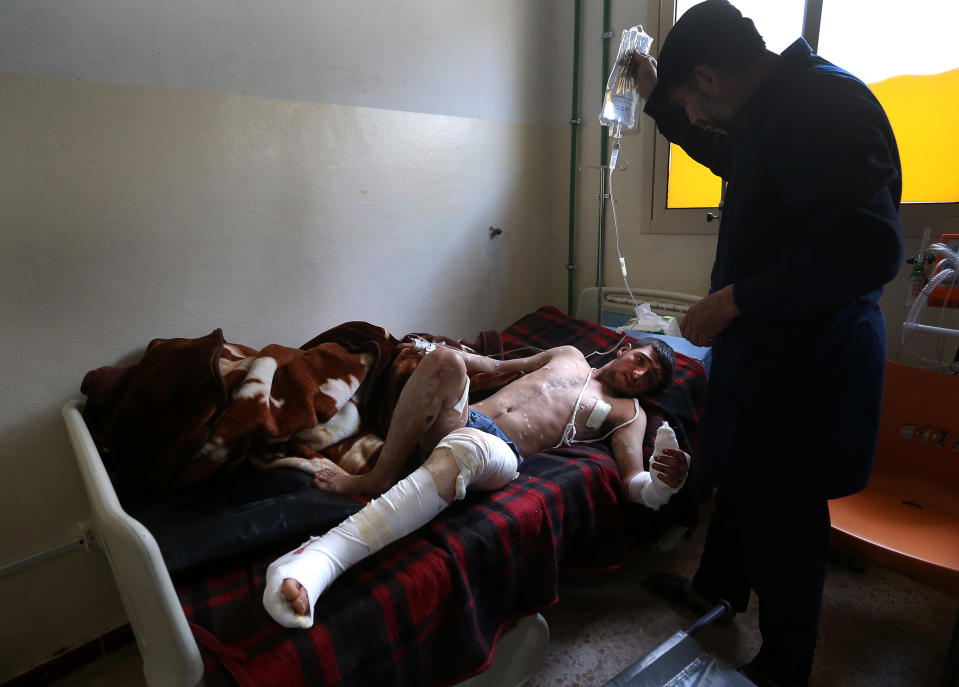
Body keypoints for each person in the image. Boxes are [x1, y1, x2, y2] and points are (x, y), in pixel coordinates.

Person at [623, 2, 904, 685]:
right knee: (739, 473)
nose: (692, 116)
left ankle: (784, 661)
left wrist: (734, 299)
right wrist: (660, 98)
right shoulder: (772, 109)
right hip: (765, 349)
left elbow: (869, 251)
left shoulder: (828, 109)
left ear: (711, 77)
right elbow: (727, 152)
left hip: (813, 358)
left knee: (786, 513)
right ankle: (715, 590)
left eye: (691, 100)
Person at [263, 338, 691, 628]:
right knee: (445, 361)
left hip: (501, 453)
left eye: (649, 377)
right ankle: (379, 476)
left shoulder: (628, 413)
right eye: (641, 360)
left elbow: (632, 479)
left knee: (470, 447)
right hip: (466, 418)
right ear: (627, 348)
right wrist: (442, 354)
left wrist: (660, 486)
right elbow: (500, 366)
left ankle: (323, 559)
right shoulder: (568, 354)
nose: (639, 374)